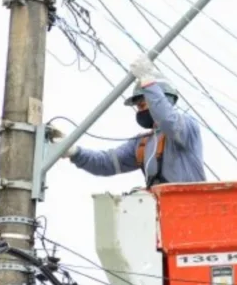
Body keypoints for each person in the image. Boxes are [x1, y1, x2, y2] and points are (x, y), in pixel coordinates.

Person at [62, 55, 206, 186]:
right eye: (138, 107)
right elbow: (106, 163)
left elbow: (167, 120)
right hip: (165, 211)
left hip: (193, 209)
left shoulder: (186, 127)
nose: (140, 111)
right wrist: (74, 153)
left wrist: (148, 83)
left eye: (143, 105)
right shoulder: (143, 143)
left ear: (162, 98)